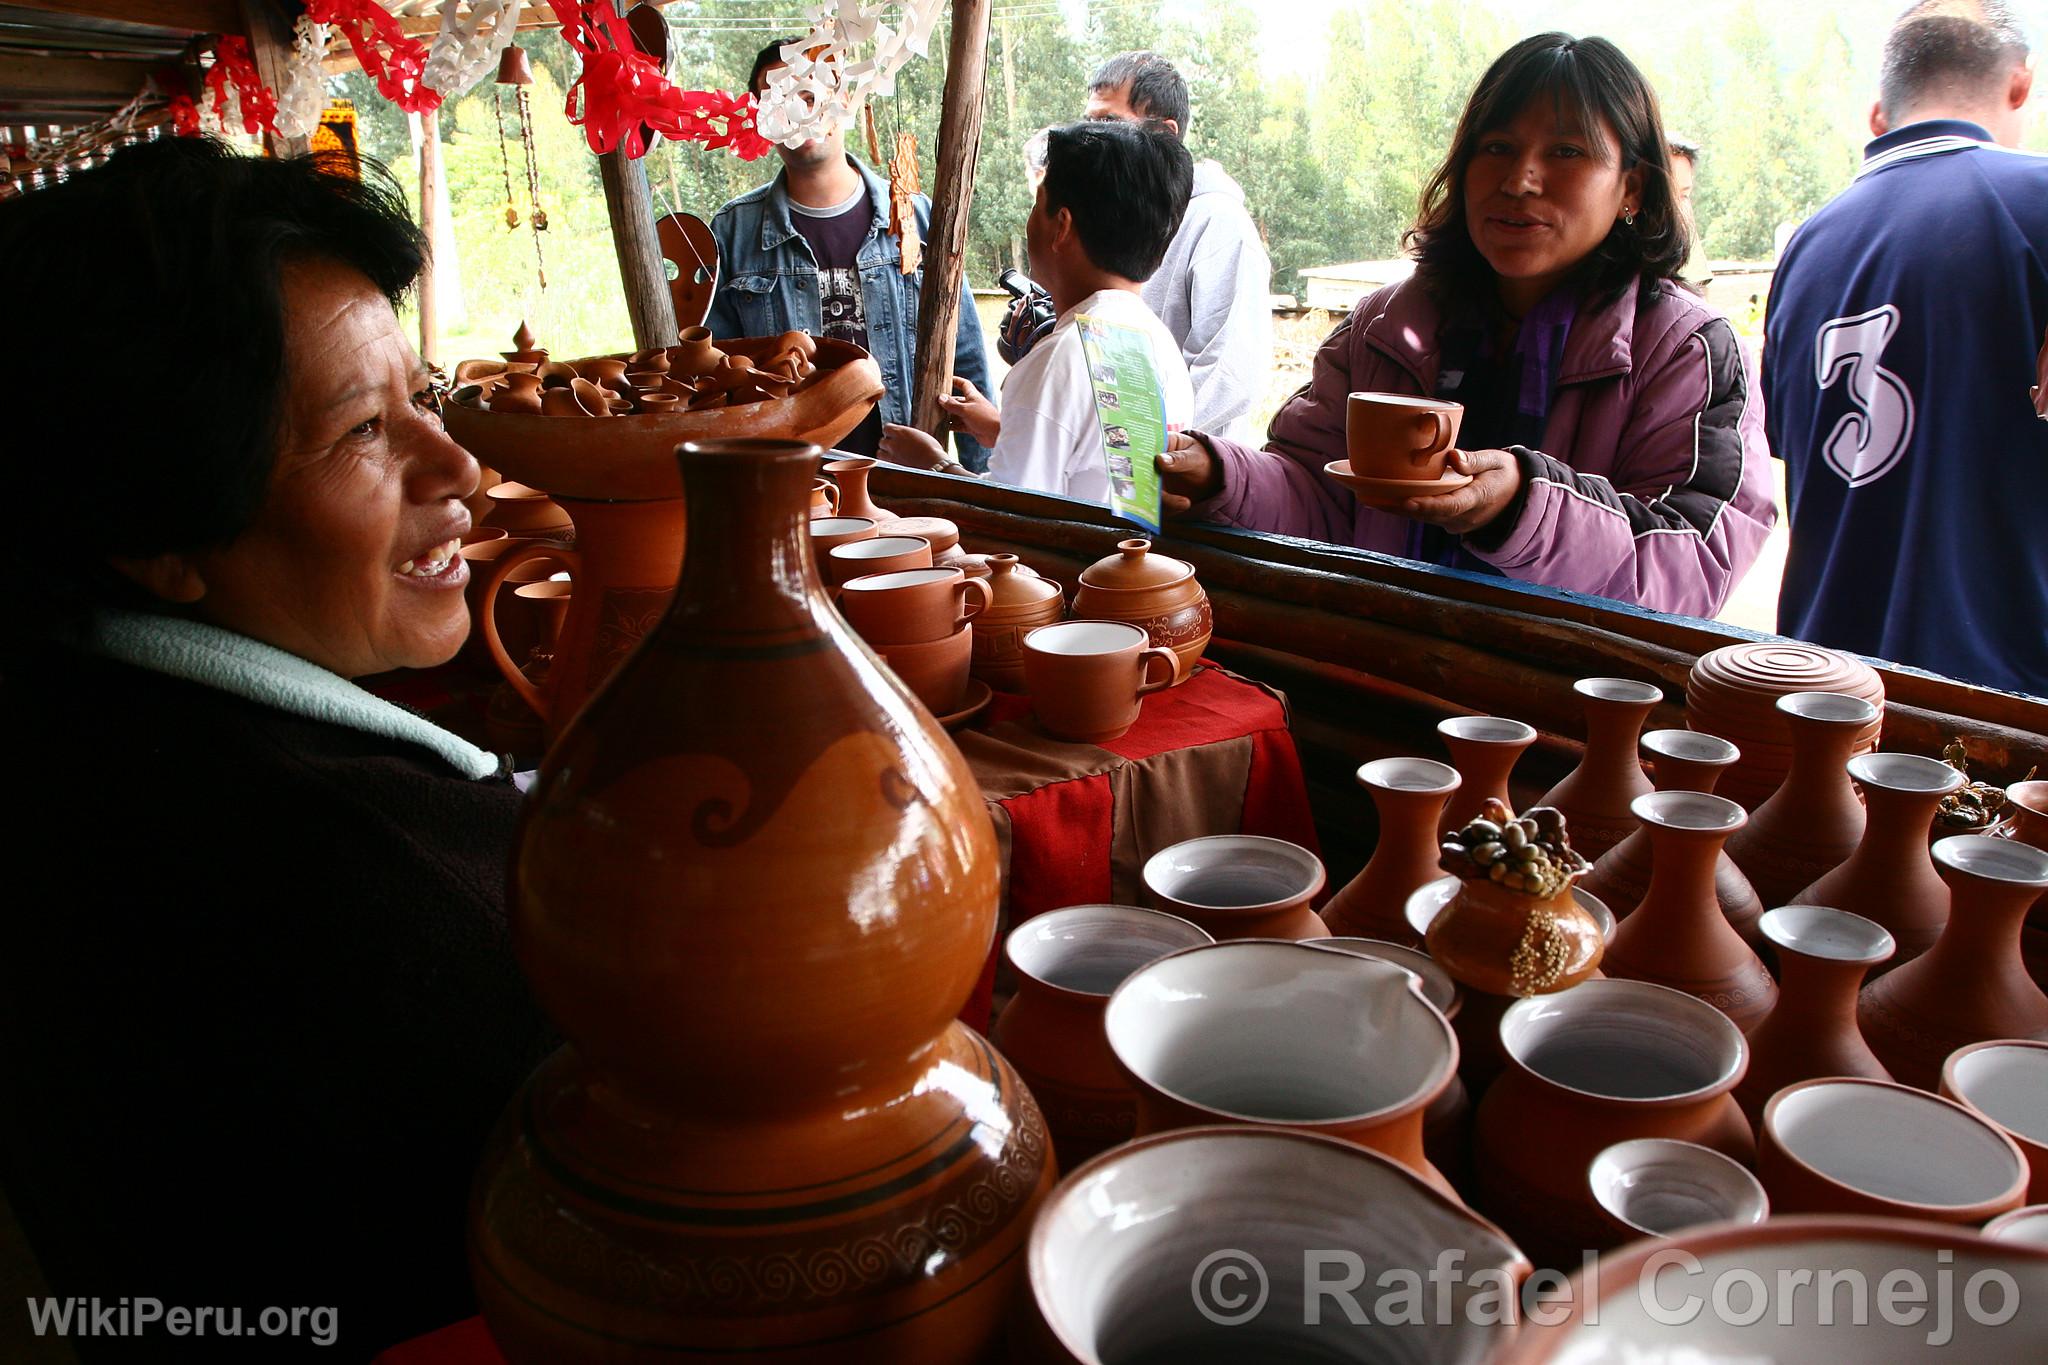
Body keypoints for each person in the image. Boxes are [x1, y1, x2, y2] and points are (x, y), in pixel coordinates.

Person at [0, 137, 551, 1359]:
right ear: (156, 527)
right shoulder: (359, 885)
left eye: (422, 395)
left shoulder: (65, 720)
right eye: (362, 429)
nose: (457, 464)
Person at [1158, 33, 1776, 620]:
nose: (1518, 180)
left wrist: (1520, 507)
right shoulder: (1385, 325)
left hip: (1564, 710)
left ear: (1632, 189)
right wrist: (1222, 475)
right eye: (1497, 147)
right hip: (1386, 671)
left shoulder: (1685, 349)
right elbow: (1319, 494)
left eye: (1566, 152)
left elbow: (1694, 566)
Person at [1764, 0, 2048, 695]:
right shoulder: (2035, 201)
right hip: (2000, 702)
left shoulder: (1806, 247)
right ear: (2020, 87)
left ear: (1878, 116)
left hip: (1825, 692)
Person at [704, 38, 993, 469]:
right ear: (760, 116)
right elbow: (714, 379)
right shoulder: (733, 233)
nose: (798, 113)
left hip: (908, 479)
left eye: (810, 94)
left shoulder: (917, 218)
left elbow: (965, 357)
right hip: (796, 483)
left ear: (844, 99)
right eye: (777, 99)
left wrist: (976, 481)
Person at [878, 120, 1196, 505]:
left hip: (1070, 566)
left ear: (1060, 227)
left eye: (1037, 203)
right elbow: (1112, 469)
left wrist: (933, 467)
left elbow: (1015, 522)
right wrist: (1006, 428)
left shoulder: (1059, 360)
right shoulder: (1154, 342)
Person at [1082, 51, 1274, 444]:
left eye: (1108, 123)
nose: (1091, 139)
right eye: (1088, 122)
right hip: (1111, 471)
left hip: (1181, 484)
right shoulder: (1114, 220)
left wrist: (1142, 447)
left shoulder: (1219, 224)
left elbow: (1228, 373)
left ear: (1164, 134)